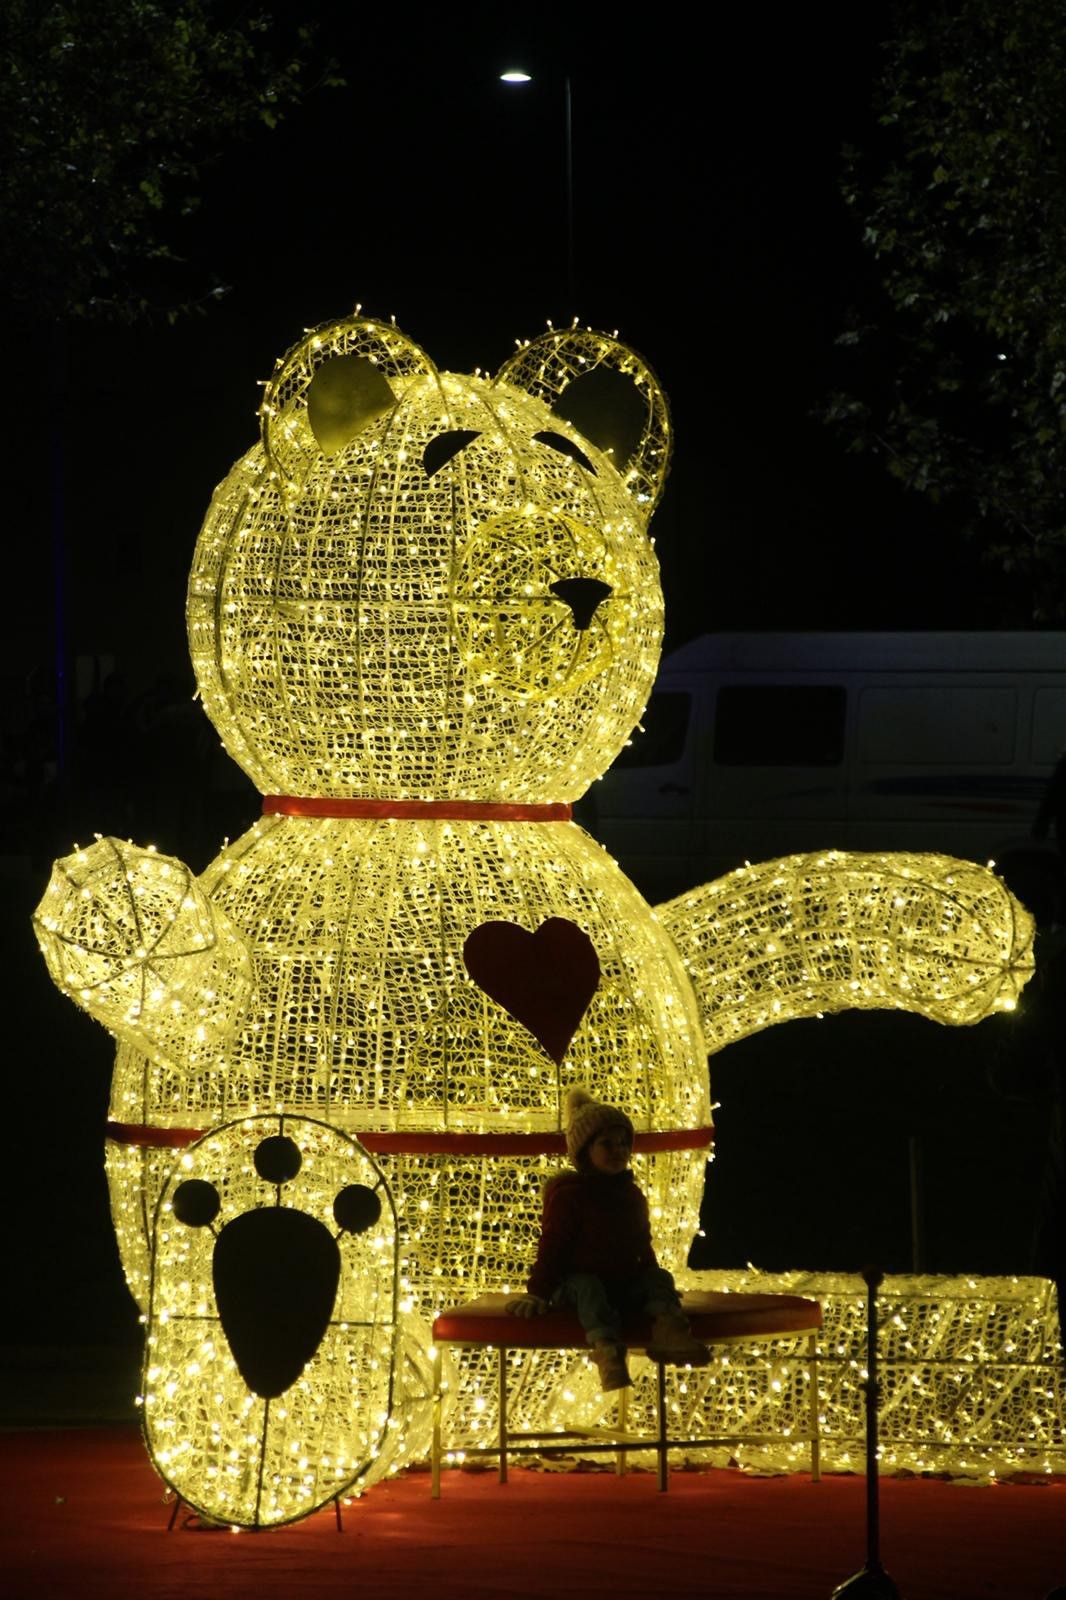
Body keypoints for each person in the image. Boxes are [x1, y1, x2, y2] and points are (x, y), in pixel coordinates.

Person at [507, 1086, 710, 1391]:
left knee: (659, 1276)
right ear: (584, 1151)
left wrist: (656, 1287)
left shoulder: (630, 1194)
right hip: (574, 1283)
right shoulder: (570, 1196)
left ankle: (670, 1329)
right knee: (588, 1287)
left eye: (624, 1143)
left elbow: (641, 1245)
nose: (619, 1150)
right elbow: (553, 1247)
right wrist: (537, 1292)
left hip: (621, 1281)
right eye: (607, 1144)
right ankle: (607, 1349)